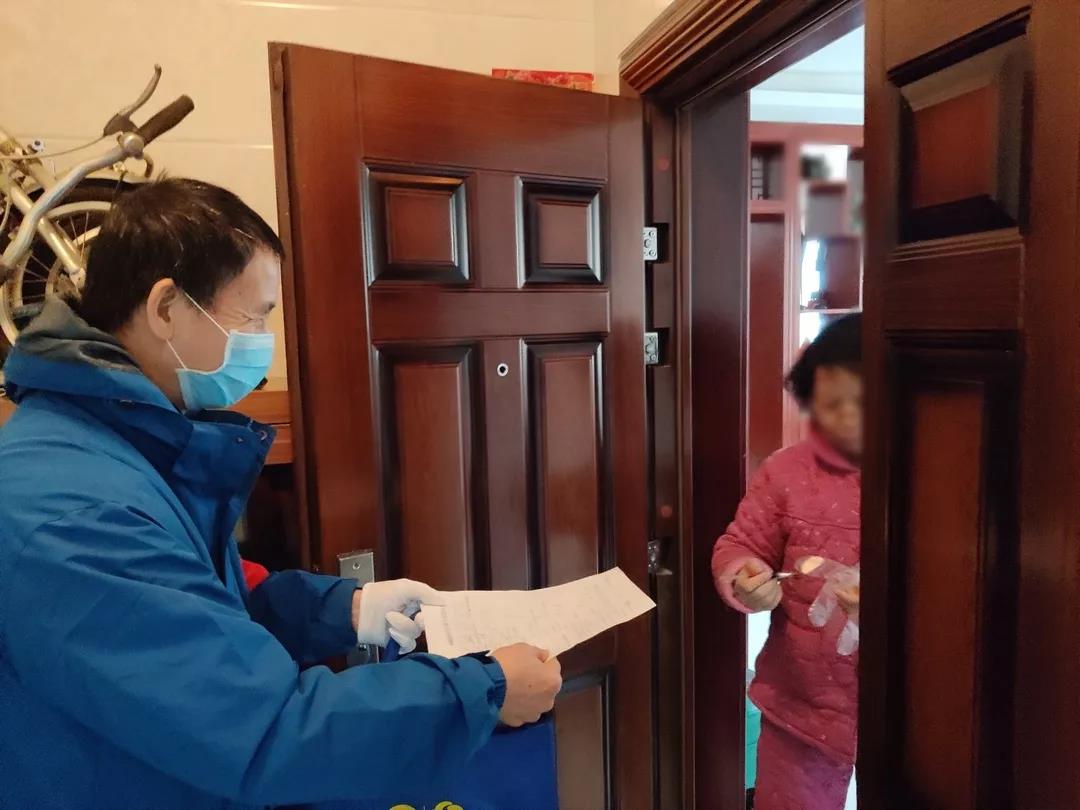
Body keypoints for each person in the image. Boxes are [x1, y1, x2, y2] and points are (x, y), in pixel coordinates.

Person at [0, 178, 562, 809]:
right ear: (166, 308)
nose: (263, 342)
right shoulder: (72, 511)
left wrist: (347, 610)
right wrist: (486, 690)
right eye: (254, 315)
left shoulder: (124, 447)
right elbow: (265, 730)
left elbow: (200, 609)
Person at [712, 314, 862, 810]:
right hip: (798, 704)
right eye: (830, 404)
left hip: (917, 715)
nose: (845, 419)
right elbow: (741, 544)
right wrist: (744, 576)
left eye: (862, 402)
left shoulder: (939, 472)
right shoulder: (786, 472)